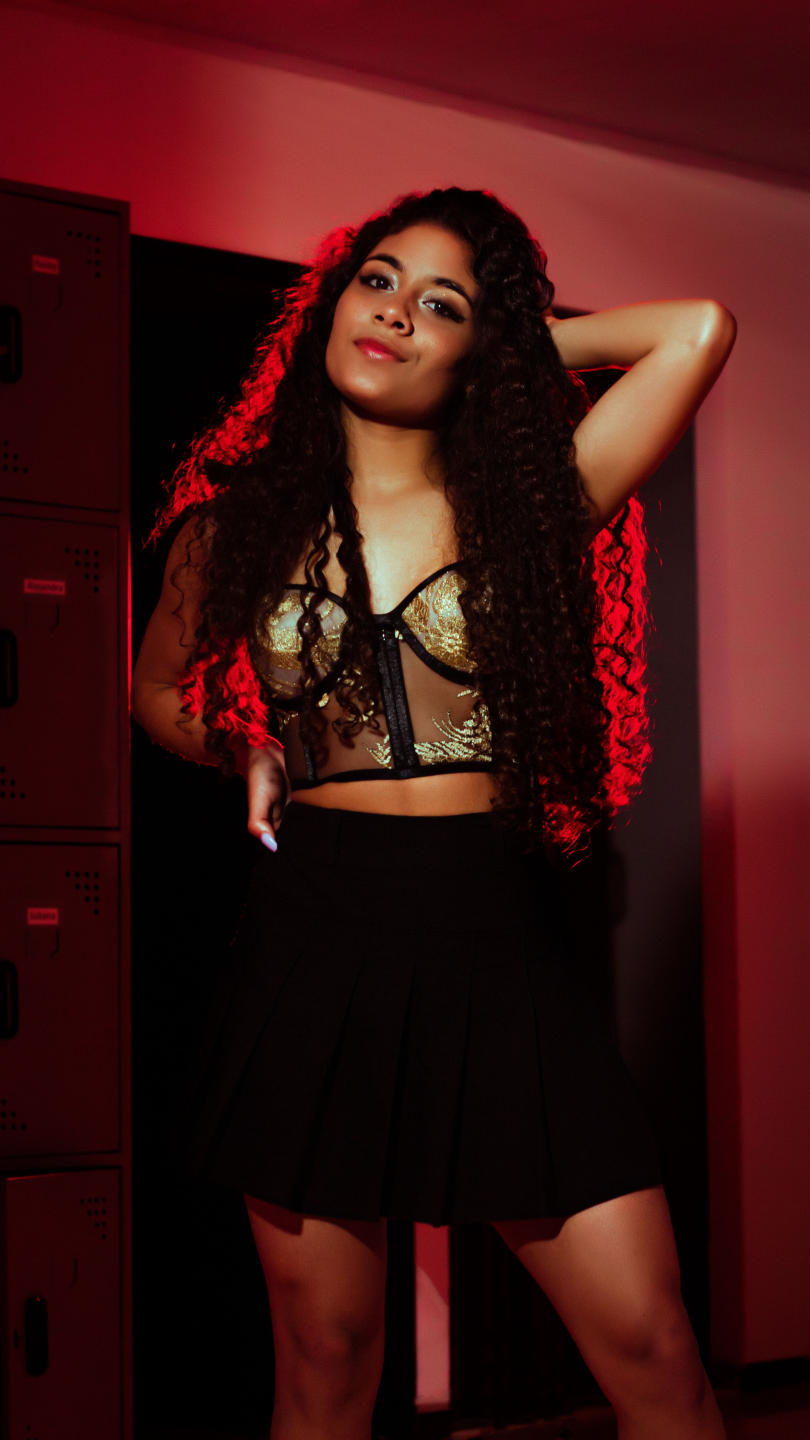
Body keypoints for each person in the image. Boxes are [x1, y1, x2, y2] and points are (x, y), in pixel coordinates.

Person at [132, 186, 736, 1440]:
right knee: (328, 1361)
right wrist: (242, 746)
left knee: (652, 1346)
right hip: (313, 937)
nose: (396, 313)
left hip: (491, 936)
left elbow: (696, 330)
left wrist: (509, 344)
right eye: (377, 281)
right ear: (329, 304)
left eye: (441, 304)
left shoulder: (534, 504)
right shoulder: (232, 522)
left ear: (482, 348)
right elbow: (152, 690)